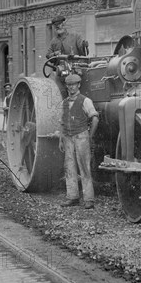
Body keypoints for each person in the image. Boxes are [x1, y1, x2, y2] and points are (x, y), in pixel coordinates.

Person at [58, 73, 99, 209]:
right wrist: (60, 140)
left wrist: (90, 136)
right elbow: (62, 123)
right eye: (69, 85)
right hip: (68, 138)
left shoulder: (85, 101)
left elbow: (95, 118)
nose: (71, 87)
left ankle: (89, 199)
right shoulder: (63, 103)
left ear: (79, 85)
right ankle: (72, 197)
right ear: (67, 86)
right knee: (69, 168)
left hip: (81, 136)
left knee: (84, 168)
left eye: (74, 84)